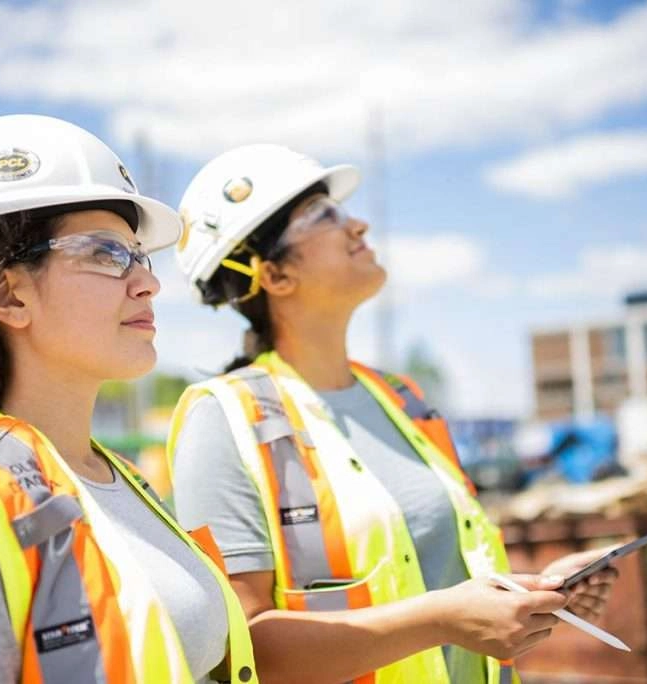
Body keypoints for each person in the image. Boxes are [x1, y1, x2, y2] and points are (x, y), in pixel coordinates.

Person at [168, 144, 617, 684]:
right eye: (323, 215)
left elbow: (432, 576)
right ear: (275, 275)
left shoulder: (401, 399)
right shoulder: (224, 420)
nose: (357, 225)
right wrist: (442, 620)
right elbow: (236, 652)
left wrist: (534, 592)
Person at [0, 115, 256, 684]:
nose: (147, 282)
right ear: (7, 295)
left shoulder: (122, 482)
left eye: (138, 253)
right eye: (106, 253)